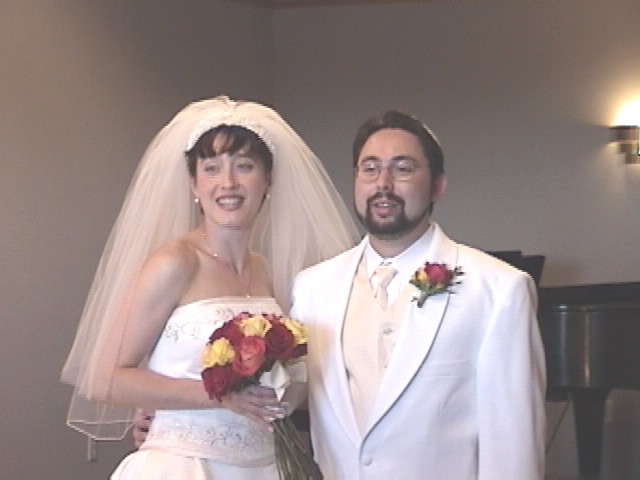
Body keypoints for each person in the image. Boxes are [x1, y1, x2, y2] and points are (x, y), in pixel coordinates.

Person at [60, 96, 360, 478]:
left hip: (263, 466)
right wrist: (219, 396)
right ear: (194, 184)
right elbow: (105, 380)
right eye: (212, 168)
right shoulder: (175, 263)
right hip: (185, 465)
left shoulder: (266, 271)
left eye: (244, 166)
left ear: (268, 181)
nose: (228, 183)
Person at [290, 110, 546, 479]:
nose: (383, 184)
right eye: (370, 169)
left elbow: (513, 440)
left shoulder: (499, 289)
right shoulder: (313, 288)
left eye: (403, 169)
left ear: (437, 186)